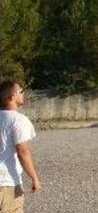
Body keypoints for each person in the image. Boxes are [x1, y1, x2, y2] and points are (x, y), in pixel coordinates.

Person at [0, 80, 42, 213]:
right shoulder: (18, 120)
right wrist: (34, 178)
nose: (23, 94)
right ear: (12, 97)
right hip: (7, 182)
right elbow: (22, 151)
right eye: (21, 91)